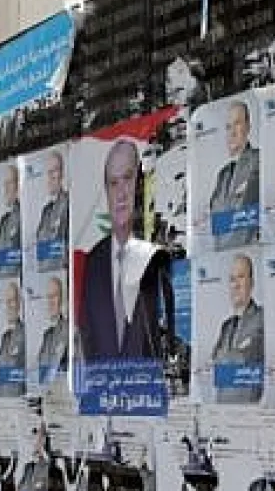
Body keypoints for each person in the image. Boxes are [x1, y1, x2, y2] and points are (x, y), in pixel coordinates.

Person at [78, 140, 174, 362]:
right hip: (107, 387)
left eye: (128, 178)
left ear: (140, 185)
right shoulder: (94, 261)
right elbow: (87, 333)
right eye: (113, 183)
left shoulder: (158, 249)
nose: (121, 193)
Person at [211, 253, 264, 404]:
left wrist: (227, 361)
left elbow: (243, 359)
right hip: (222, 406)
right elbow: (215, 364)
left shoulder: (262, 318)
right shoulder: (226, 326)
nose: (236, 285)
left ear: (251, 282)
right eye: (232, 279)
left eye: (241, 277)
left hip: (248, 408)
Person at [208, 100, 260, 250]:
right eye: (228, 127)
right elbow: (215, 219)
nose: (232, 132)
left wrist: (226, 209)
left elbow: (245, 204)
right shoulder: (223, 174)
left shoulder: (258, 159)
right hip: (223, 254)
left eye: (237, 123)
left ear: (248, 126)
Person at [34, 150, 69, 271]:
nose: (51, 176)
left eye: (55, 170)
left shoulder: (68, 203)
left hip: (62, 276)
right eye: (48, 172)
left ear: (62, 173)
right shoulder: (46, 211)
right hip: (44, 275)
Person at [0, 280, 26, 398]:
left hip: (19, 403)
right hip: (4, 403)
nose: (9, 306)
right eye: (7, 302)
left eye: (12, 300)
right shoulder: (4, 337)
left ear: (19, 303)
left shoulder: (25, 333)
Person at [35, 275, 69, 384]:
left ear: (62, 298)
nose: (51, 301)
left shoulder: (67, 329)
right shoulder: (47, 335)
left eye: (54, 296)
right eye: (48, 297)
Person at [0, 163, 23, 279]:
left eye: (10, 183)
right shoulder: (4, 221)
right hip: (3, 282)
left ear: (18, 185)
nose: (6, 188)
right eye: (5, 183)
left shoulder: (23, 216)